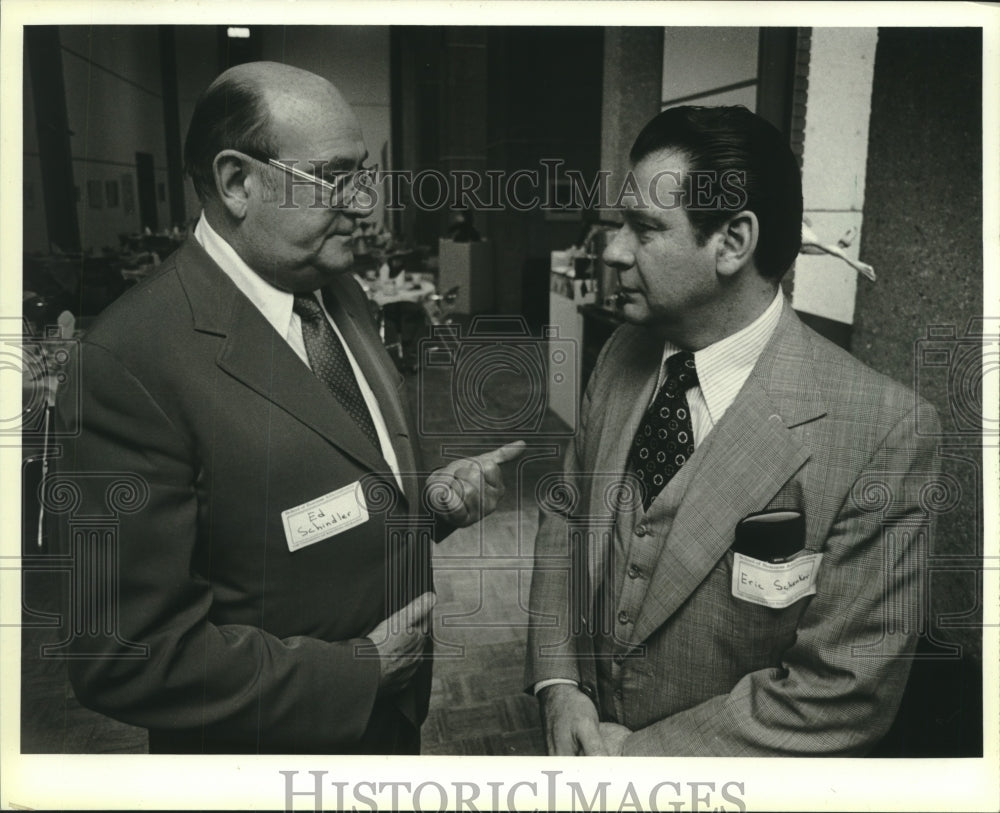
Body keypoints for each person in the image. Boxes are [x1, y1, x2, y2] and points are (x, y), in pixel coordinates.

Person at [52, 61, 522, 755]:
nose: (365, 205)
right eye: (335, 178)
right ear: (239, 182)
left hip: (390, 726)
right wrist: (359, 669)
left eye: (365, 176)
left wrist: (429, 508)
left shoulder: (336, 290)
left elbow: (336, 478)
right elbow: (121, 652)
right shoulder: (129, 361)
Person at [526, 105, 941, 756]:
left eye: (642, 228)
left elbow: (840, 691)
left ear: (733, 242)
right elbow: (566, 512)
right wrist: (558, 681)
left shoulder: (885, 434)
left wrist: (633, 760)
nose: (611, 249)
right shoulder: (619, 355)